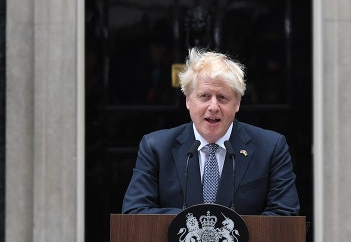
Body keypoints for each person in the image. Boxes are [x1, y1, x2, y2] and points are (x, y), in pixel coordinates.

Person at [121, 48, 300, 215]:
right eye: (204, 96)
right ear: (188, 100)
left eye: (222, 98)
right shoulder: (156, 148)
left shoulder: (271, 147)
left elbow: (284, 216)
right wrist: (194, 222)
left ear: (237, 104)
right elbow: (135, 212)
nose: (213, 107)